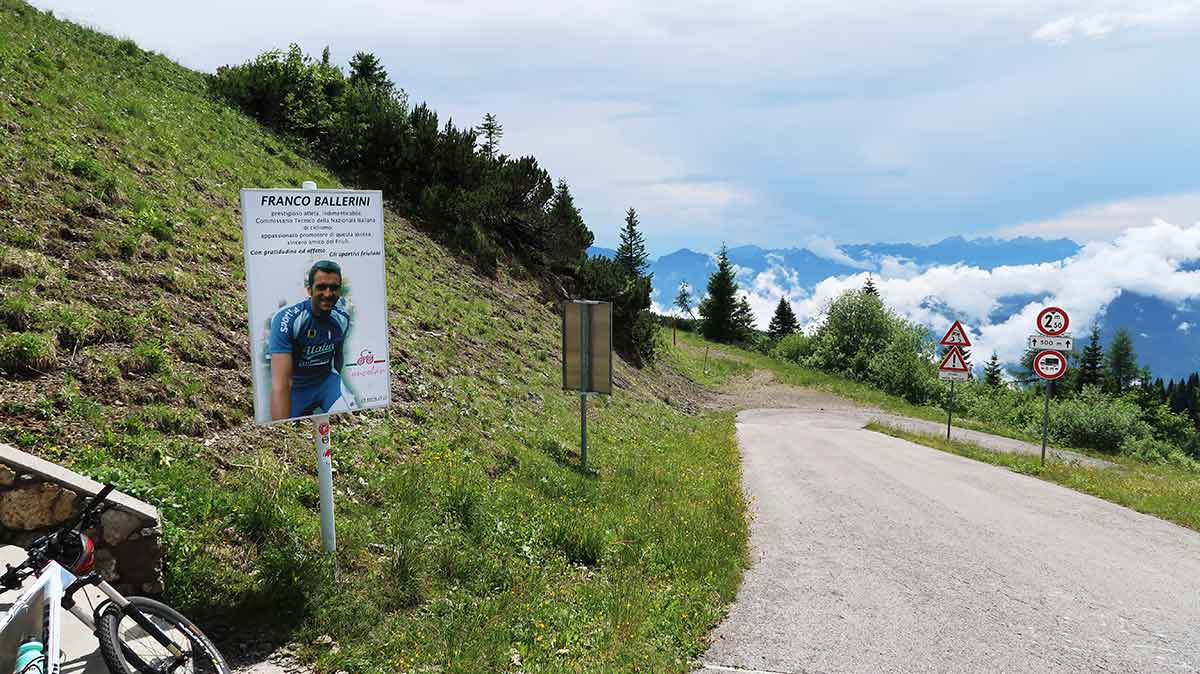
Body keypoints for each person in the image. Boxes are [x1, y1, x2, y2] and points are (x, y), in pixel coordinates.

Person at [268, 260, 355, 420]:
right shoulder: (287, 319)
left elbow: (338, 354)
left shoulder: (342, 319)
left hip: (327, 383)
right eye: (321, 287)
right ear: (309, 290)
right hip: (297, 388)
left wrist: (336, 379)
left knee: (350, 422)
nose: (328, 294)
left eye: (334, 288)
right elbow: (280, 384)